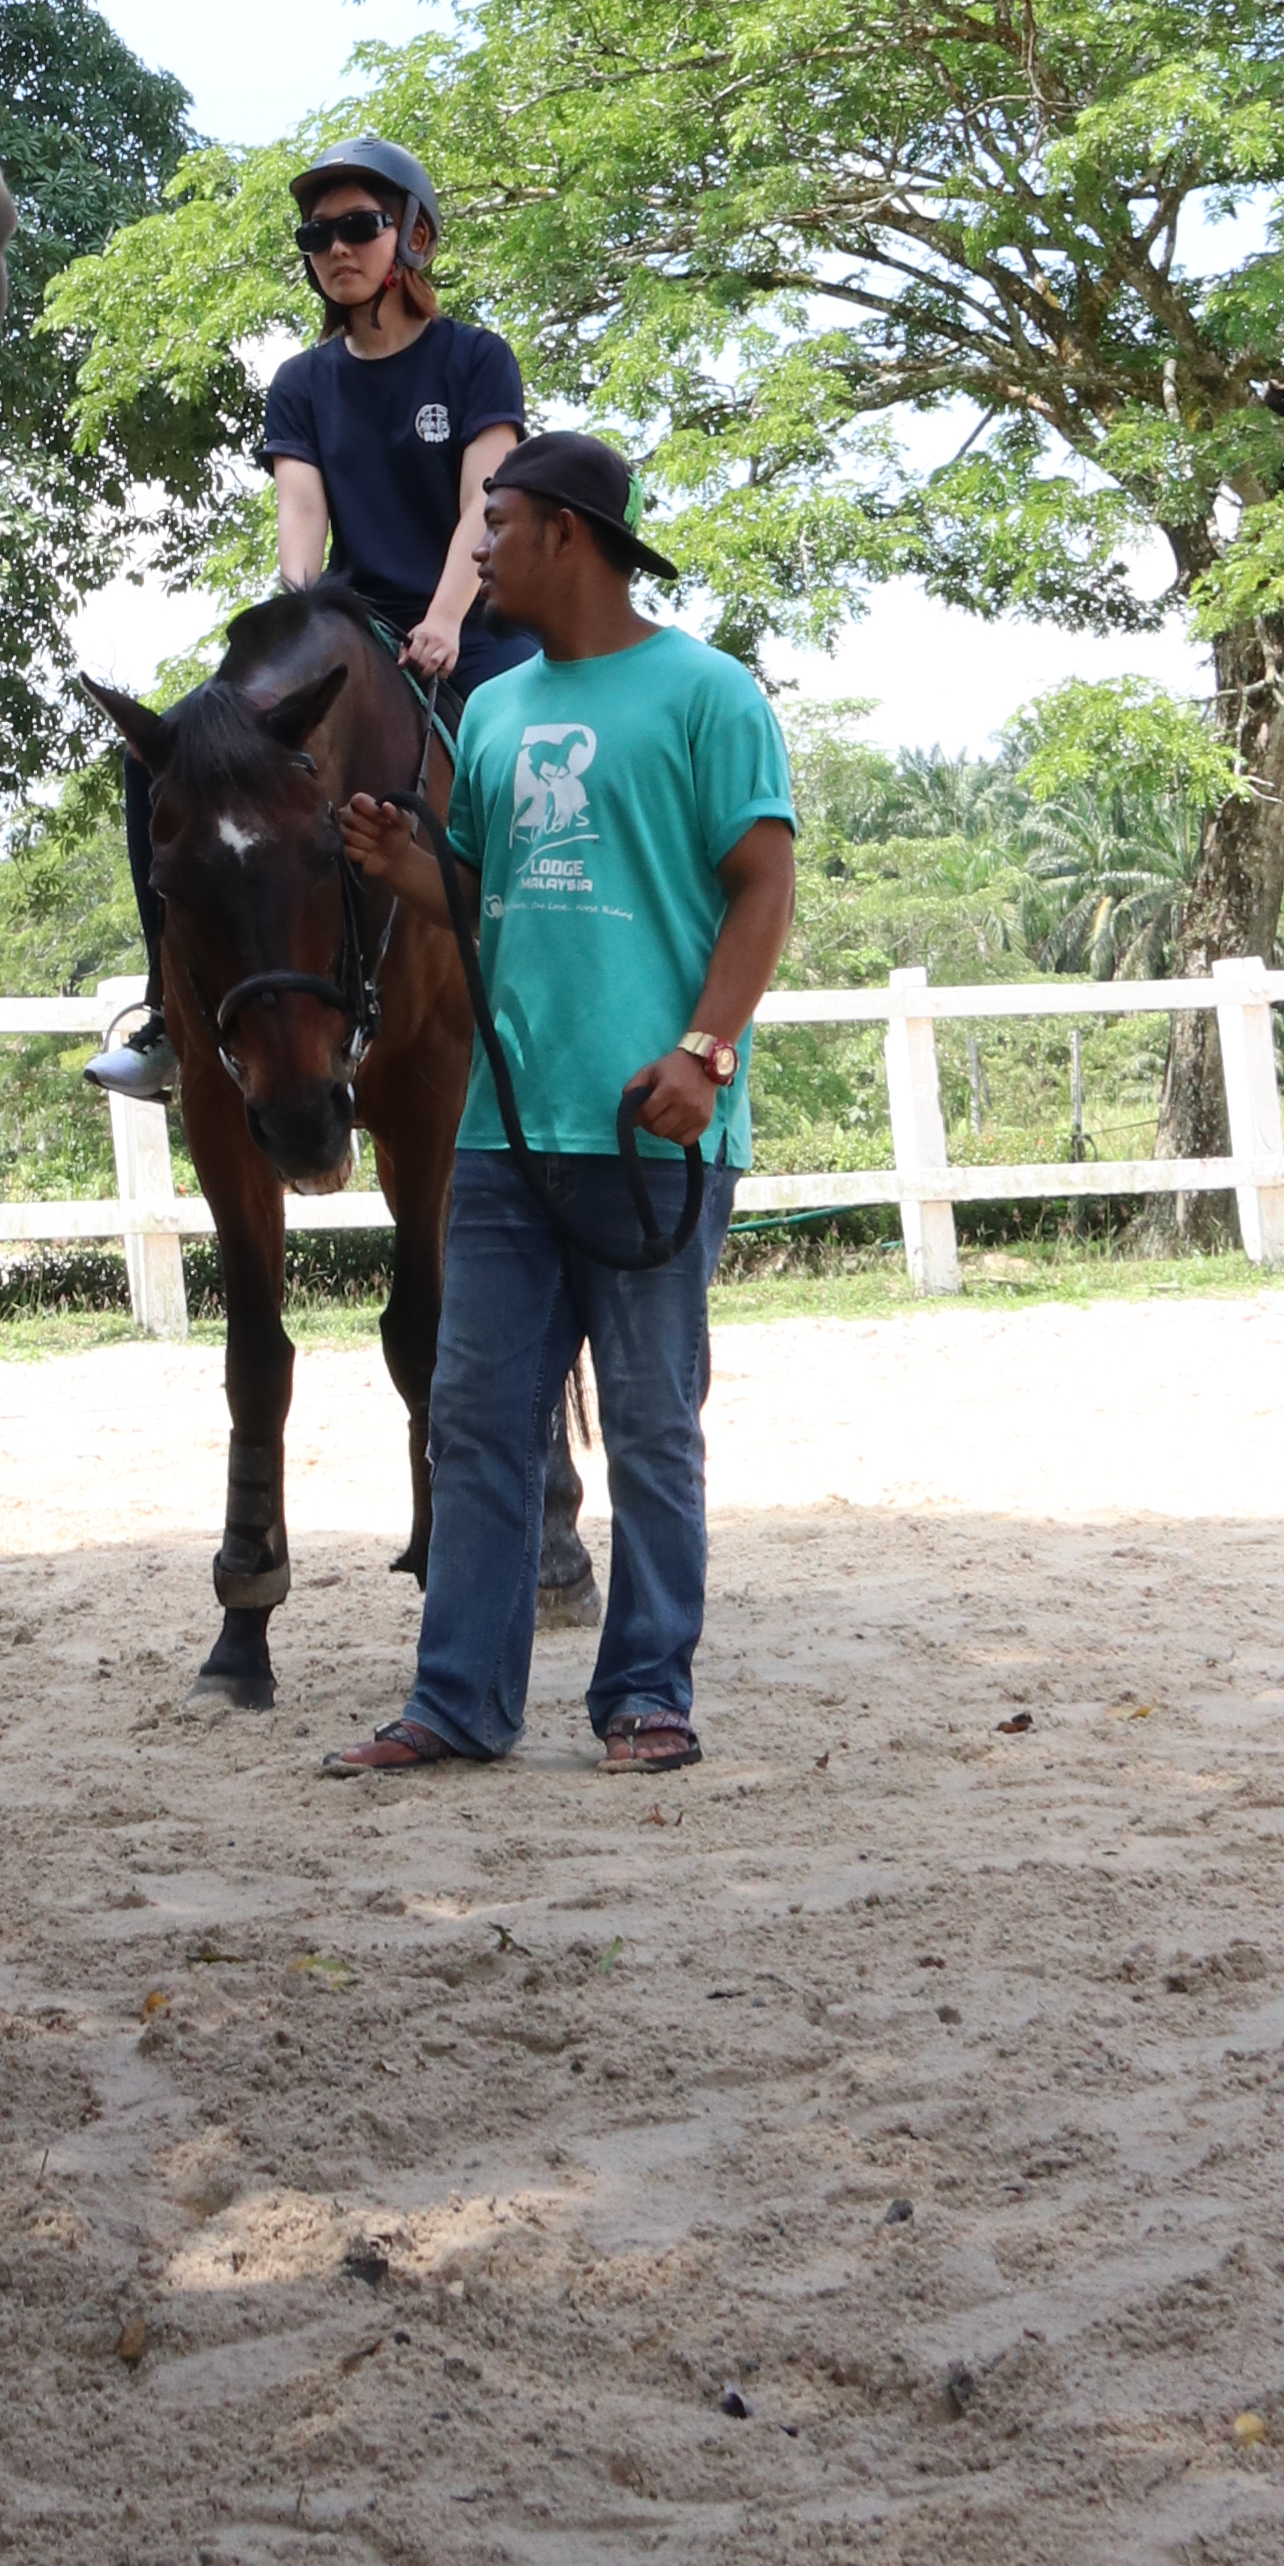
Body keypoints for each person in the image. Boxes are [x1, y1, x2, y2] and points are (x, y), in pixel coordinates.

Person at [315, 427, 794, 1781]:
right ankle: (458, 1700)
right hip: (504, 1138)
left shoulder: (708, 695)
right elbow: (489, 906)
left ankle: (646, 1693)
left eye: (497, 526)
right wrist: (407, 866)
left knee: (649, 1427)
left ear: (567, 534)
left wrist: (706, 1054)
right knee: (474, 1422)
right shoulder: (498, 714)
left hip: (651, 1135)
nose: (476, 551)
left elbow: (763, 884)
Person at [83, 138, 531, 1103]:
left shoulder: (474, 360)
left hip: (473, 629)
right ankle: (171, 1011)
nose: (336, 248)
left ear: (413, 234)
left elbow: (483, 507)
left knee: (541, 753)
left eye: (359, 226)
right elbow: (301, 515)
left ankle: (551, 973)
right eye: (316, 234)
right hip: (345, 627)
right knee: (156, 756)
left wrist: (449, 618)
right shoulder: (302, 380)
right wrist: (295, 618)